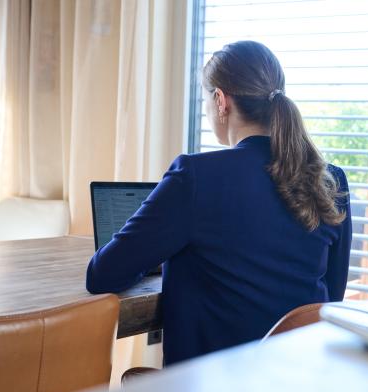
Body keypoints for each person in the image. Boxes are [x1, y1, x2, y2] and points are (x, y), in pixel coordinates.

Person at [86, 40, 352, 365]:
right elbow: (331, 296)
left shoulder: (196, 176)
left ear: (220, 100)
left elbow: (103, 275)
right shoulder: (331, 181)